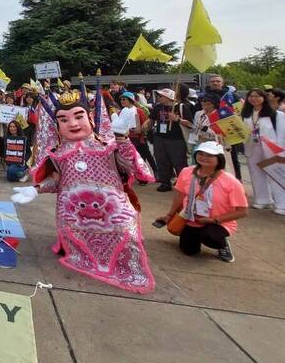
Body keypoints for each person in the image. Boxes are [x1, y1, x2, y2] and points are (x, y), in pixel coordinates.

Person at [12, 85, 156, 293]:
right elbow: (57, 182)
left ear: (89, 117)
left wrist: (123, 141)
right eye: (63, 119)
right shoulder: (58, 152)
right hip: (74, 213)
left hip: (112, 211)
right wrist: (36, 189)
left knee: (125, 231)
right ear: (56, 124)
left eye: (78, 116)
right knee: (71, 229)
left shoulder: (108, 145)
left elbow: (134, 167)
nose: (72, 123)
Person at [155, 141, 248, 262]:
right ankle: (195, 235)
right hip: (193, 219)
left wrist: (213, 220)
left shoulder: (231, 181)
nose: (204, 157)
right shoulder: (187, 172)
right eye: (201, 154)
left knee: (211, 237)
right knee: (189, 250)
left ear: (219, 158)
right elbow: (179, 196)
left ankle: (222, 244)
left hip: (218, 222)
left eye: (209, 155)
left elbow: (243, 212)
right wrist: (169, 215)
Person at [241, 89, 285, 214]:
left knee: (275, 174)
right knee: (255, 173)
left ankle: (282, 203)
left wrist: (280, 150)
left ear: (263, 98)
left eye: (257, 96)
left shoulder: (276, 115)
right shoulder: (246, 114)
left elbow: (282, 133)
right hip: (252, 146)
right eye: (251, 96)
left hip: (272, 149)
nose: (254, 99)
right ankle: (262, 199)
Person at [150, 88, 192, 192]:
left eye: (161, 96)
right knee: (161, 161)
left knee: (179, 162)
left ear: (169, 97)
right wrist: (146, 125)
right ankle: (165, 183)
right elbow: (151, 119)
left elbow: (191, 124)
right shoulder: (158, 107)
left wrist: (178, 119)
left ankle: (184, 184)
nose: (158, 98)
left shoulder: (182, 107)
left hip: (176, 139)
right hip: (160, 138)